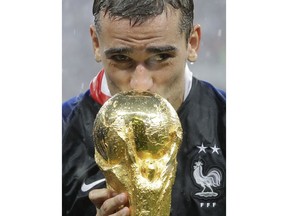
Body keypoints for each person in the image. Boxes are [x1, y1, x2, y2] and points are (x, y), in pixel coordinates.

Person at [62, 0, 226, 215]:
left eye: (161, 57)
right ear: (96, 44)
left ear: (192, 43)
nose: (140, 85)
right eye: (121, 58)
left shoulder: (227, 121)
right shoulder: (62, 130)